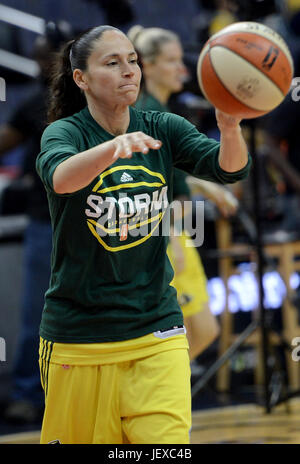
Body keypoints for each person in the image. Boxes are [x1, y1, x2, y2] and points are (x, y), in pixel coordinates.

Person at [36, 25, 251, 444]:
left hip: (157, 330)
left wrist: (229, 129)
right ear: (81, 78)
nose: (128, 71)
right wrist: (114, 147)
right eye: (112, 63)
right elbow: (61, 178)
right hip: (80, 337)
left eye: (132, 60)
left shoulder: (162, 126)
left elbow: (229, 168)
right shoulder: (64, 133)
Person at [128, 25, 238, 361]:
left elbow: (168, 173)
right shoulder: (143, 116)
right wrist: (170, 239)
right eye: (172, 61)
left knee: (199, 334)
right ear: (147, 66)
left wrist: (203, 184)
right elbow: (145, 186)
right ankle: (152, 404)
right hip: (165, 235)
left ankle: (158, 403)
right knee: (192, 335)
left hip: (177, 234)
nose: (182, 69)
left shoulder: (162, 113)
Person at [0, 22, 73, 424]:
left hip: (92, 220)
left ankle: (78, 390)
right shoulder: (35, 105)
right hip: (47, 220)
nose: (35, 59)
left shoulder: (96, 102)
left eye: (42, 53)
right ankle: (30, 390)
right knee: (38, 312)